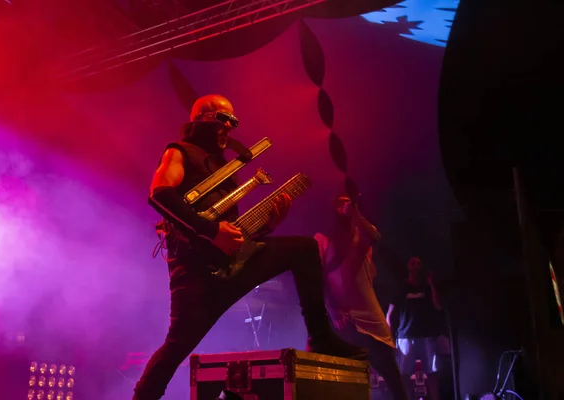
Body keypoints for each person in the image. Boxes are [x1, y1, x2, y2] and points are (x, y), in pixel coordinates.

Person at [134, 94, 366, 400]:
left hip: (233, 264)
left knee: (305, 248)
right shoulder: (179, 152)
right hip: (196, 278)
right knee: (175, 348)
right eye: (225, 119)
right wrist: (212, 231)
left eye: (235, 122)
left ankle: (320, 336)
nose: (231, 127)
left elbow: (233, 234)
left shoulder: (225, 167)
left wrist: (269, 225)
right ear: (203, 118)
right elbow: (159, 194)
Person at [314, 195, 408, 400]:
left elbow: (375, 237)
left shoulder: (360, 233)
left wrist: (356, 214)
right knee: (347, 378)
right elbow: (319, 276)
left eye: (348, 201)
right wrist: (331, 307)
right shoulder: (323, 240)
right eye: (340, 202)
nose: (345, 205)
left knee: (391, 374)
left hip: (369, 316)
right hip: (343, 320)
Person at [386, 256, 445, 400]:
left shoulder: (426, 287)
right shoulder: (401, 287)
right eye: (413, 263)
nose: (417, 266)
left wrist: (431, 284)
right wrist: (389, 339)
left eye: (419, 263)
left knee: (432, 374)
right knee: (404, 375)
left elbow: (438, 306)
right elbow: (389, 315)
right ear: (408, 267)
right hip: (406, 337)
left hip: (426, 336)